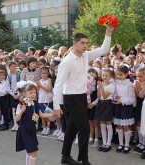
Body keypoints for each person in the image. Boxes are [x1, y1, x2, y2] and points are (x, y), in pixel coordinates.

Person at [53, 24, 114, 165]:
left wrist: (108, 33)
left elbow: (104, 49)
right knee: (84, 128)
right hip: (71, 98)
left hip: (81, 97)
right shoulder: (67, 61)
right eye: (82, 43)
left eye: (86, 43)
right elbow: (58, 85)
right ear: (75, 44)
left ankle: (65, 156)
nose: (85, 45)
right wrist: (56, 107)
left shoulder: (86, 55)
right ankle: (83, 160)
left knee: (72, 128)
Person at [15, 82, 60, 165]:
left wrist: (53, 114)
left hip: (32, 129)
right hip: (24, 130)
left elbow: (41, 115)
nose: (33, 94)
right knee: (34, 152)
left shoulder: (35, 103)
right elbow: (16, 118)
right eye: (30, 92)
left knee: (30, 152)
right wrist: (21, 111)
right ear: (24, 93)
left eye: (34, 92)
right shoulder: (21, 104)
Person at [113, 65, 135, 154]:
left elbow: (132, 99)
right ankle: (121, 144)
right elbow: (114, 94)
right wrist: (115, 97)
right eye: (117, 74)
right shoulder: (116, 82)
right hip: (118, 106)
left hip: (126, 106)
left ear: (126, 74)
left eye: (121, 74)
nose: (119, 76)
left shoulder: (129, 84)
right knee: (119, 125)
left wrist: (122, 101)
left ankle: (127, 145)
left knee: (126, 126)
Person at [94, 68, 115, 152]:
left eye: (106, 75)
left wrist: (102, 87)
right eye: (103, 75)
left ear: (110, 76)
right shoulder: (100, 84)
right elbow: (99, 96)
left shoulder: (111, 85)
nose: (104, 77)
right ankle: (104, 143)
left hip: (107, 104)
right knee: (102, 123)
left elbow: (105, 96)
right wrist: (99, 87)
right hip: (101, 103)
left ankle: (108, 144)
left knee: (108, 123)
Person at [133, 67, 145, 153]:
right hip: (138, 103)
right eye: (137, 76)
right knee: (138, 122)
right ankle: (140, 141)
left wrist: (140, 88)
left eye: (141, 76)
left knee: (143, 123)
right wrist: (136, 88)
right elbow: (136, 95)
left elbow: (143, 96)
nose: (139, 78)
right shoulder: (135, 83)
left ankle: (144, 143)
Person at [36, 67, 53, 136]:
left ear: (48, 73)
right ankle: (44, 128)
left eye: (45, 73)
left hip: (47, 100)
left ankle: (48, 128)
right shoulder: (39, 81)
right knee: (42, 116)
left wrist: (41, 86)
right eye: (42, 73)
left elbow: (49, 89)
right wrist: (38, 86)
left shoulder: (49, 80)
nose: (44, 74)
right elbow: (38, 90)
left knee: (48, 115)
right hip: (41, 100)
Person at [6, 61, 21, 131]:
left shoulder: (19, 75)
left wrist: (18, 94)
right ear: (9, 68)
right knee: (13, 110)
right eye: (12, 66)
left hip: (19, 96)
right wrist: (13, 94)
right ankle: (15, 124)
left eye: (15, 66)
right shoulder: (8, 76)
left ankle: (19, 124)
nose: (13, 67)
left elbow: (21, 86)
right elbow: (8, 87)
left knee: (19, 110)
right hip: (12, 96)